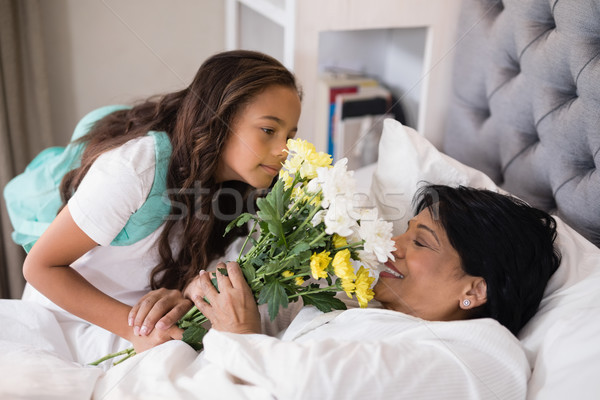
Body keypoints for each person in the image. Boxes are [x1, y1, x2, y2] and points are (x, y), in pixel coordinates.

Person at [18, 49, 302, 367]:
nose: (284, 150)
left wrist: (181, 294)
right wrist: (132, 327)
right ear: (220, 118)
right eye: (268, 130)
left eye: (291, 135)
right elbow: (40, 267)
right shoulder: (139, 167)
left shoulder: (243, 188)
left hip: (139, 317)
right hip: (63, 321)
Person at [182, 184, 561, 399]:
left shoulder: (484, 353)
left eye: (421, 243)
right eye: (405, 231)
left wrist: (239, 338)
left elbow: (317, 383)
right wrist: (193, 306)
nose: (393, 245)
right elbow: (256, 313)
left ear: (475, 290)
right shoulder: (357, 303)